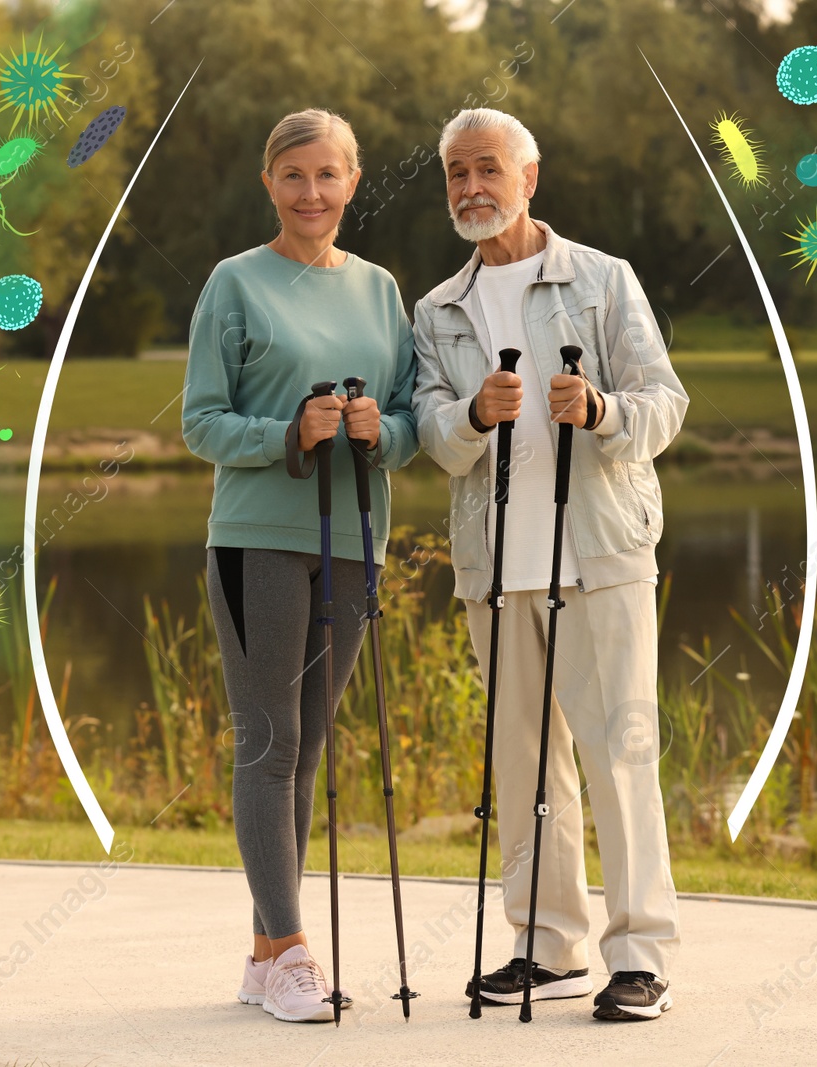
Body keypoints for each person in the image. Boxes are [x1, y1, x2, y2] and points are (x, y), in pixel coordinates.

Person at [411, 107, 688, 1021]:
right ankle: (546, 942)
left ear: (531, 178)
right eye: (456, 172)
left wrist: (603, 410)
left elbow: (665, 404)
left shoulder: (603, 280)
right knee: (523, 765)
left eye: (488, 169)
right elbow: (432, 437)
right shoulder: (438, 308)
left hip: (599, 554)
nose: (471, 188)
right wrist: (471, 417)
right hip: (495, 568)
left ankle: (641, 951)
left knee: (621, 753)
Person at [181, 107, 419, 1024]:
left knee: (309, 748)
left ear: (352, 181)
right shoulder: (234, 284)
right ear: (268, 183)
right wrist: (290, 431)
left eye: (327, 175)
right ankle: (291, 953)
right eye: (293, 176)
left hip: (353, 542)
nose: (310, 193)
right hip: (257, 540)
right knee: (269, 743)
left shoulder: (381, 289)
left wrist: (377, 429)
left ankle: (261, 955)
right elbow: (200, 420)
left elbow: (405, 417)